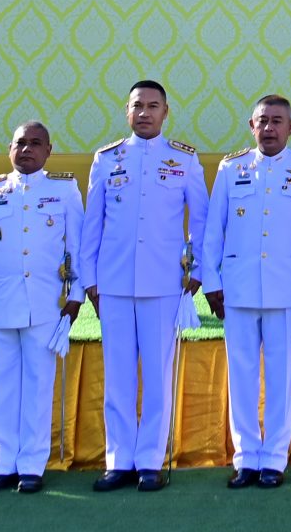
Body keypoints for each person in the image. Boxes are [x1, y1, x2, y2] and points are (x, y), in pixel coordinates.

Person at [81, 79, 206, 491]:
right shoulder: (106, 159)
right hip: (114, 284)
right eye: (138, 106)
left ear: (166, 113)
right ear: (126, 111)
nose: (145, 113)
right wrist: (90, 280)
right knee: (117, 376)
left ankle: (151, 459)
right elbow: (92, 225)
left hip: (164, 283)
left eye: (154, 106)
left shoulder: (183, 160)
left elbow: (200, 222)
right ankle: (119, 459)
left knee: (157, 375)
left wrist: (198, 271)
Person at [200, 94, 291, 488]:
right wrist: (212, 281)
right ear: (251, 126)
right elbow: (213, 232)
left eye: (278, 121)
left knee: (280, 376)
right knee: (240, 376)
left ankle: (273, 458)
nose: (270, 128)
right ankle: (246, 459)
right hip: (237, 290)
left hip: (286, 291)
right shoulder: (230, 169)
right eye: (263, 121)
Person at [0, 120, 84, 493]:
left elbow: (76, 247)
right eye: (20, 143)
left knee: (37, 384)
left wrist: (76, 296)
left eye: (35, 143)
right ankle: (2, 464)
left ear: (49, 151)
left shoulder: (64, 190)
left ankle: (32, 465)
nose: (27, 149)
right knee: (1, 387)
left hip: (46, 304)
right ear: (9, 148)